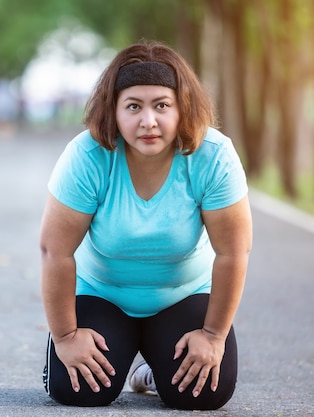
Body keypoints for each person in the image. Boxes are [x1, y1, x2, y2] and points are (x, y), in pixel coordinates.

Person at [40, 40, 252, 410]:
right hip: (102, 293)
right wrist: (66, 336)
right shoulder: (88, 156)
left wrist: (213, 335)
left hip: (182, 294)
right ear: (115, 111)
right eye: (133, 106)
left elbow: (233, 252)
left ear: (181, 108)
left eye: (162, 105)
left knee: (203, 394)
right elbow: (54, 251)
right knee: (79, 391)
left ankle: (153, 373)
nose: (148, 121)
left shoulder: (213, 156)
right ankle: (85, 359)